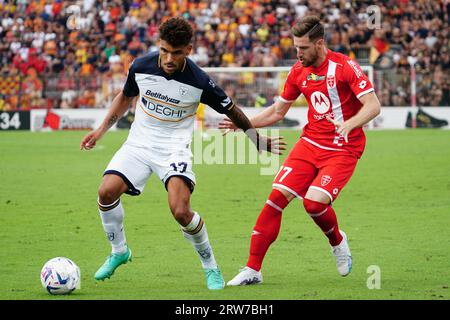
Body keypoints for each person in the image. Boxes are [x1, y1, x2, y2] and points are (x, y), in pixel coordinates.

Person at [80, 17, 284, 290]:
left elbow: (232, 109)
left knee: (180, 210)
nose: (168, 58)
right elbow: (125, 97)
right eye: (164, 50)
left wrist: (256, 140)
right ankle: (119, 251)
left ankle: (211, 267)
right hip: (138, 144)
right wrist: (100, 130)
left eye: (176, 52)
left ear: (188, 50)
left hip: (173, 148)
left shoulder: (200, 81)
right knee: (106, 192)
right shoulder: (140, 66)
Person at [220, 15, 381, 286]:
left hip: (343, 148)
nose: (298, 53)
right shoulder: (298, 71)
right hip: (309, 144)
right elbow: (277, 111)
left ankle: (338, 241)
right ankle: (253, 269)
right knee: (274, 199)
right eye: (296, 47)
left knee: (314, 203)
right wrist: (242, 123)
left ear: (319, 44)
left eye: (303, 48)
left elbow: (373, 105)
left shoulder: (345, 67)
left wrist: (349, 124)